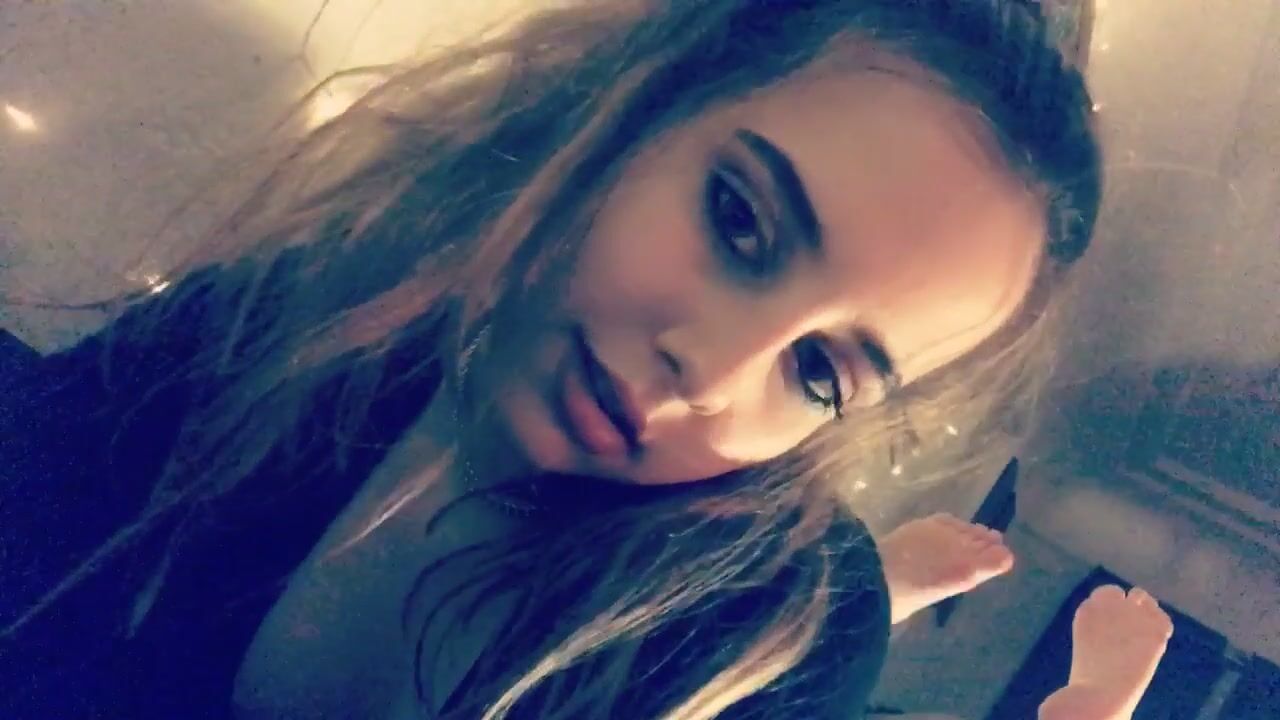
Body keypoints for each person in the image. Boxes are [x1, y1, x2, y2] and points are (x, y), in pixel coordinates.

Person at [0, 1, 1124, 718]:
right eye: (738, 219)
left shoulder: (760, 652)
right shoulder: (329, 305)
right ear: (634, 108)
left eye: (820, 374)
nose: (709, 374)